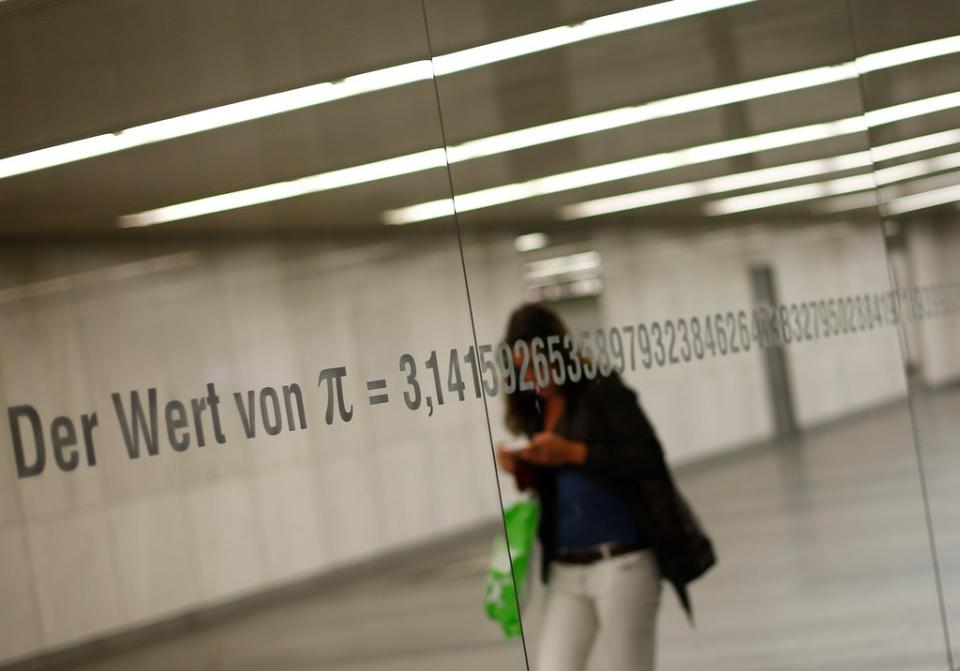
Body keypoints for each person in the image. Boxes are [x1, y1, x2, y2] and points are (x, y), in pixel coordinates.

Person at [496, 303, 714, 671]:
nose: (532, 378)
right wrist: (523, 467)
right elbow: (557, 484)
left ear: (557, 353)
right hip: (566, 570)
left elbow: (647, 457)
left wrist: (575, 451)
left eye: (536, 366)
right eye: (522, 371)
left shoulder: (600, 390)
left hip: (623, 565)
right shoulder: (536, 409)